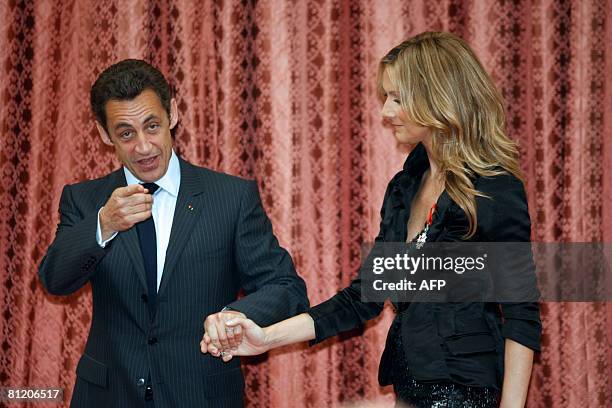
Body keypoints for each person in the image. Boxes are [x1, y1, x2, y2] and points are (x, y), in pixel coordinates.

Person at [201, 32, 542, 408]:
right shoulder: (404, 188)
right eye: (386, 98)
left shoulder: (495, 188)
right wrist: (265, 337)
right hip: (408, 391)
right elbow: (361, 300)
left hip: (467, 394)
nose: (386, 112)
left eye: (397, 98)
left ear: (437, 98)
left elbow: (521, 316)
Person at [38, 59, 309, 407]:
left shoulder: (231, 197)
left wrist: (234, 315)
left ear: (173, 114)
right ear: (105, 134)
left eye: (152, 126)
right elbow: (54, 280)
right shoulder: (85, 200)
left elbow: (286, 288)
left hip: (201, 394)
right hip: (108, 396)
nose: (144, 147)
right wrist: (102, 225)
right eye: (125, 133)